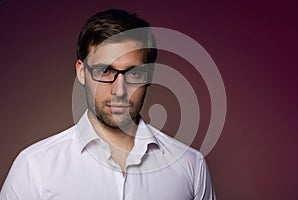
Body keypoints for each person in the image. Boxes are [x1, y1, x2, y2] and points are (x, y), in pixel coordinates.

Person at [0, 9, 216, 199]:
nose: (119, 91)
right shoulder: (35, 166)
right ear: (82, 72)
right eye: (105, 71)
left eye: (134, 73)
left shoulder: (191, 166)